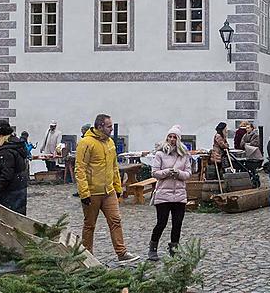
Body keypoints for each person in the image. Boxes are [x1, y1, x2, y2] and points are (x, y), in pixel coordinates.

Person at [75, 113, 139, 263]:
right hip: (92, 192)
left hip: (108, 191)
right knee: (90, 225)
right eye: (109, 126)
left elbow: (114, 167)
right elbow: (80, 168)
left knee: (116, 220)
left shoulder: (110, 142)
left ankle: (121, 252)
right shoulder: (86, 143)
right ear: (100, 126)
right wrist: (84, 193)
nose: (111, 129)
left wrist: (118, 186)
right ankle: (87, 255)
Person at [148, 125, 192, 261]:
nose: (172, 139)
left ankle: (174, 249)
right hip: (163, 194)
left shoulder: (184, 155)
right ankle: (153, 248)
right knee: (161, 222)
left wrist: (178, 173)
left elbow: (188, 173)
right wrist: (167, 172)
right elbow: (155, 173)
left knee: (177, 223)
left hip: (179, 194)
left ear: (178, 139)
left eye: (174, 137)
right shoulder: (160, 154)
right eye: (170, 136)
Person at [0, 120, 30, 214]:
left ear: (0, 134)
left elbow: (6, 175)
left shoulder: (6, 152)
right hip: (18, 189)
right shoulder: (15, 146)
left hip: (10, 192)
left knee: (10, 221)